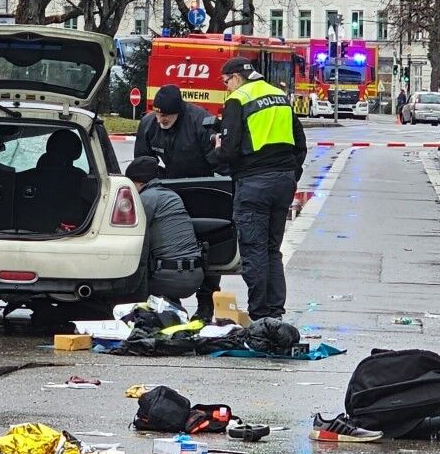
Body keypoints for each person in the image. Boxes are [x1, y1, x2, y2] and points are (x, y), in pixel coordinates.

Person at [213, 57, 306, 321]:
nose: (226, 87)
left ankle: (260, 314)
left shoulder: (238, 99)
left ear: (236, 77)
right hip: (283, 182)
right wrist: (291, 173)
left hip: (254, 183)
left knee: (254, 250)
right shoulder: (279, 96)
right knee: (271, 249)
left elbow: (229, 151)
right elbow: (300, 143)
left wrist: (217, 148)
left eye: (225, 81)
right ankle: (275, 312)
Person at [134, 84, 220, 321]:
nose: (162, 119)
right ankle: (170, 301)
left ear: (179, 112)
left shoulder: (200, 122)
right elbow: (142, 163)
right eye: (159, 114)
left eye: (167, 116)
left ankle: (206, 302)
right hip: (167, 188)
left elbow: (219, 163)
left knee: (205, 246)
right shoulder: (150, 124)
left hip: (200, 187)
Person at [125, 156, 204, 305]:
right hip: (196, 274)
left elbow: (130, 235)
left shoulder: (145, 199)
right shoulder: (172, 196)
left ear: (139, 183)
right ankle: (175, 313)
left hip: (170, 277)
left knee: (126, 289)